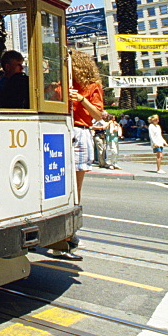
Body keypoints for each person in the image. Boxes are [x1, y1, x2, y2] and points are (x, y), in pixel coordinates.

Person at [58, 48, 103, 261]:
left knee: (75, 187)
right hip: (60, 129)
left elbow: (98, 115)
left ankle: (70, 233)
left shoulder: (92, 87)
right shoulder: (62, 84)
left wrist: (81, 100)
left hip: (80, 130)